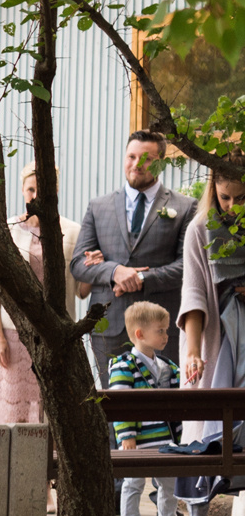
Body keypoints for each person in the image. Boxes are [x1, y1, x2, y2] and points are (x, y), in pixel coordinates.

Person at [72, 130, 194, 386]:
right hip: (110, 323)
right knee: (113, 405)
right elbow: (78, 264)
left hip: (162, 326)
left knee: (164, 403)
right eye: (131, 156)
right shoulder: (99, 207)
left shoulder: (185, 207)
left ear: (161, 162)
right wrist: (115, 271)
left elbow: (187, 267)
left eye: (146, 158)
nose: (136, 164)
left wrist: (140, 277)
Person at [173, 166, 245, 516]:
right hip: (216, 342)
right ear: (213, 192)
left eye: (241, 198)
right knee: (201, 434)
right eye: (225, 198)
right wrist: (193, 352)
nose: (233, 207)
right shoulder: (200, 230)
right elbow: (195, 295)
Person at [0, 165, 82, 426]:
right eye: (30, 189)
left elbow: (80, 289)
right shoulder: (9, 229)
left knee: (53, 407)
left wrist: (91, 268)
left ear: (55, 190)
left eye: (42, 189)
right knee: (13, 410)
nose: (35, 195)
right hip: (15, 334)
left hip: (55, 333)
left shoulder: (73, 231)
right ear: (23, 191)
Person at [108, 301, 184, 516]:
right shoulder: (124, 365)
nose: (166, 335)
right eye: (160, 330)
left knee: (168, 481)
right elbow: (120, 404)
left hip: (166, 439)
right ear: (140, 334)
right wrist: (126, 435)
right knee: (133, 481)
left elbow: (183, 387)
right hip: (138, 440)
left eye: (166, 330)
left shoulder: (168, 367)